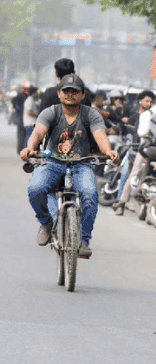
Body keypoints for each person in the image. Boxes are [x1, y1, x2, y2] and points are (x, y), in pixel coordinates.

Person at [20, 74, 120, 258]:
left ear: (82, 95)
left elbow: (100, 135)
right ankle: (46, 222)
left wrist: (109, 152)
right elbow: (38, 132)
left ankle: (84, 240)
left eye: (75, 92)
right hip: (52, 163)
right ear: (59, 93)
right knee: (36, 188)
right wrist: (29, 148)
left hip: (81, 165)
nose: (70, 95)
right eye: (66, 91)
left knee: (90, 194)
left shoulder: (91, 114)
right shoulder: (50, 112)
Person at [12, 84, 29, 153]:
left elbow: (13, 101)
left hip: (24, 116)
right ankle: (20, 148)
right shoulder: (21, 95)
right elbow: (13, 101)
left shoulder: (26, 96)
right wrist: (17, 108)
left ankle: (23, 148)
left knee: (24, 133)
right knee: (21, 133)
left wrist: (17, 108)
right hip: (21, 116)